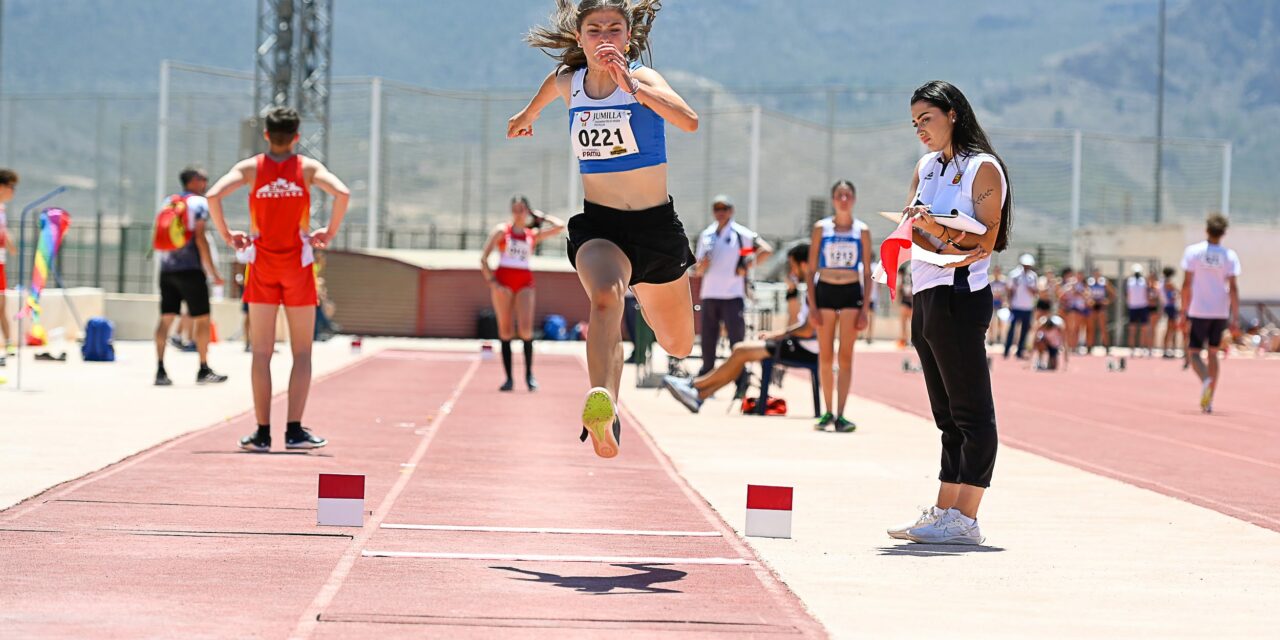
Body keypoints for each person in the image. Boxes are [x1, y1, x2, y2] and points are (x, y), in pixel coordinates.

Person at [510, 0, 699, 459]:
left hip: (655, 228)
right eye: (594, 30)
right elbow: (543, 96)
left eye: (614, 29)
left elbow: (688, 121)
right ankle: (605, 409)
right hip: (601, 227)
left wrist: (632, 88)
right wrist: (525, 118)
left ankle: (651, 311)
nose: (604, 38)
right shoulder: (567, 83)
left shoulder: (644, 80)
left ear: (627, 38)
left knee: (677, 342)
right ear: (581, 39)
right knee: (605, 299)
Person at [886, 81, 1012, 546]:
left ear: (953, 114)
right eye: (915, 122)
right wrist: (913, 228)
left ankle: (967, 517)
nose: (920, 129)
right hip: (927, 292)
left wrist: (936, 227)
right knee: (946, 415)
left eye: (927, 119)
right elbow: (917, 235)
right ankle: (943, 510)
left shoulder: (982, 168)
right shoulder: (925, 167)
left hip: (962, 296)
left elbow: (984, 242)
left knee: (972, 412)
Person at [206, 106, 351, 452]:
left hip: (263, 267)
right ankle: (294, 431)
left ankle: (261, 432)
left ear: (267, 135)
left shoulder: (252, 168)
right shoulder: (307, 168)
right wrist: (328, 233)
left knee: (261, 352)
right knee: (302, 352)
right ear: (297, 137)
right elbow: (342, 193)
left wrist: (228, 235)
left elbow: (212, 195)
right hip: (298, 267)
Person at [663, 243, 816, 413]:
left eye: (793, 266)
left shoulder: (816, 286)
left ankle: (694, 386)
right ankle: (698, 395)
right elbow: (794, 320)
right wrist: (791, 292)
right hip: (801, 344)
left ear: (803, 265)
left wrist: (776, 335)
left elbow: (808, 329)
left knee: (740, 351)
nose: (791, 271)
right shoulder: (811, 285)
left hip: (806, 348)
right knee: (739, 351)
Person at [479, 195, 567, 391]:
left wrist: (541, 216)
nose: (519, 213)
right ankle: (509, 378)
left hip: (524, 282)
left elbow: (561, 226)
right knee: (505, 330)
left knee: (526, 330)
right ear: (511, 211)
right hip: (503, 282)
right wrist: (493, 283)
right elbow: (484, 258)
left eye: (522, 209)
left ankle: (529, 375)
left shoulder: (532, 234)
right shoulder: (503, 231)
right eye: (515, 209)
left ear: (528, 211)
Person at [806, 180, 871, 433]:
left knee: (845, 355)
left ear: (853, 199)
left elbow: (866, 271)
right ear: (833, 199)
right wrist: (811, 305)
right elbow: (811, 269)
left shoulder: (861, 231)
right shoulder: (821, 229)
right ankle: (827, 412)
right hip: (826, 291)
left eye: (847, 195)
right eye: (839, 195)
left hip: (851, 291)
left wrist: (865, 308)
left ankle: (841, 414)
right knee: (825, 354)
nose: (843, 199)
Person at [153, 167, 228, 387]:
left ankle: (159, 369)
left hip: (167, 269)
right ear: (194, 181)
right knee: (202, 319)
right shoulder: (199, 204)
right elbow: (200, 238)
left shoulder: (168, 202)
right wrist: (213, 272)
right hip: (191, 270)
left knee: (166, 318)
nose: (205, 183)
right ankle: (203, 368)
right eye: (203, 179)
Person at [693, 194, 772, 376]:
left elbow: (765, 249)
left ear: (731, 211)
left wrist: (747, 266)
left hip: (732, 295)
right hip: (710, 294)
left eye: (724, 209)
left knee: (736, 339)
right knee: (708, 339)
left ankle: (739, 375)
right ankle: (706, 375)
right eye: (717, 209)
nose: (720, 213)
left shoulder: (740, 235)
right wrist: (702, 266)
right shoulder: (707, 235)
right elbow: (698, 269)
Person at [1180, 213, 1240, 414]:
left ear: (1207, 230)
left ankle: (1206, 379)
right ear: (1223, 233)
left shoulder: (1193, 252)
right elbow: (1233, 288)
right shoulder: (1229, 255)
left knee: (1194, 352)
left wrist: (1183, 312)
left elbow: (1186, 284)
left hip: (1198, 309)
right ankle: (1209, 399)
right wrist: (1235, 317)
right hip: (1220, 311)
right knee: (1213, 353)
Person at [1003, 253, 1037, 359]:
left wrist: (1030, 288)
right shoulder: (1014, 274)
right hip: (1016, 306)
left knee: (1025, 330)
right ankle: (1007, 350)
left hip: (1027, 307)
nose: (1027, 267)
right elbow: (1009, 290)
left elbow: (1035, 292)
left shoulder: (1033, 276)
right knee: (1012, 329)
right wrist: (1009, 302)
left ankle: (1020, 351)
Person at [0, 168, 18, 362]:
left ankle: (8, 343)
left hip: (1, 262)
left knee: (2, 305)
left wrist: (11, 244)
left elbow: (3, 231)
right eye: (11, 186)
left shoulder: (2, 209)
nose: (13, 191)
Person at [1057, 267, 1088, 354]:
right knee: (1068, 328)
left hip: (1079, 308)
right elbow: (1060, 295)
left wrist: (1079, 293)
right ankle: (1067, 346)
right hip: (1070, 308)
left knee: (1076, 329)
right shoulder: (1069, 284)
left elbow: (1086, 294)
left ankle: (1074, 346)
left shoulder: (1082, 284)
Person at [1085, 268, 1116, 354]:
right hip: (1092, 306)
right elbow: (1085, 293)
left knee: (1103, 328)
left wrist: (1107, 300)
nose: (1096, 275)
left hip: (1101, 306)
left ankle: (1106, 346)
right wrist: (1088, 300)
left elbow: (1113, 293)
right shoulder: (1089, 282)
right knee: (1091, 328)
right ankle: (1089, 347)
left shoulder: (1104, 282)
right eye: (1095, 273)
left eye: (1098, 273)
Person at [1124, 263, 1152, 356]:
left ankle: (1145, 348)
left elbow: (1147, 293)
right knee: (1132, 329)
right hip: (1133, 307)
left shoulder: (1144, 281)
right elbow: (1128, 294)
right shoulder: (1129, 281)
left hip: (1142, 306)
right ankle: (1132, 349)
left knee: (1145, 329)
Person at [1158, 266, 1181, 358]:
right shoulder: (1168, 283)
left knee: (1171, 328)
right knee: (1172, 329)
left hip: (1167, 306)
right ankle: (1170, 349)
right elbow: (1177, 292)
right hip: (1171, 307)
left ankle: (1168, 349)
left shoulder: (1162, 282)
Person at [987, 264, 1007, 345]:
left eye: (998, 271)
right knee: (991, 322)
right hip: (991, 304)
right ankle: (991, 338)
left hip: (1000, 305)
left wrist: (1002, 298)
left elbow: (1006, 293)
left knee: (1000, 322)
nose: (997, 272)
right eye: (996, 271)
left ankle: (998, 337)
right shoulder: (990, 280)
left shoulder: (1003, 281)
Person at [896, 265, 913, 349]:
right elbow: (899, 287)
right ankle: (904, 339)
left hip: (910, 299)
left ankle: (909, 340)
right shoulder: (905, 271)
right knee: (905, 322)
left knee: (910, 322)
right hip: (906, 298)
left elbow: (899, 287)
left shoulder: (910, 269)